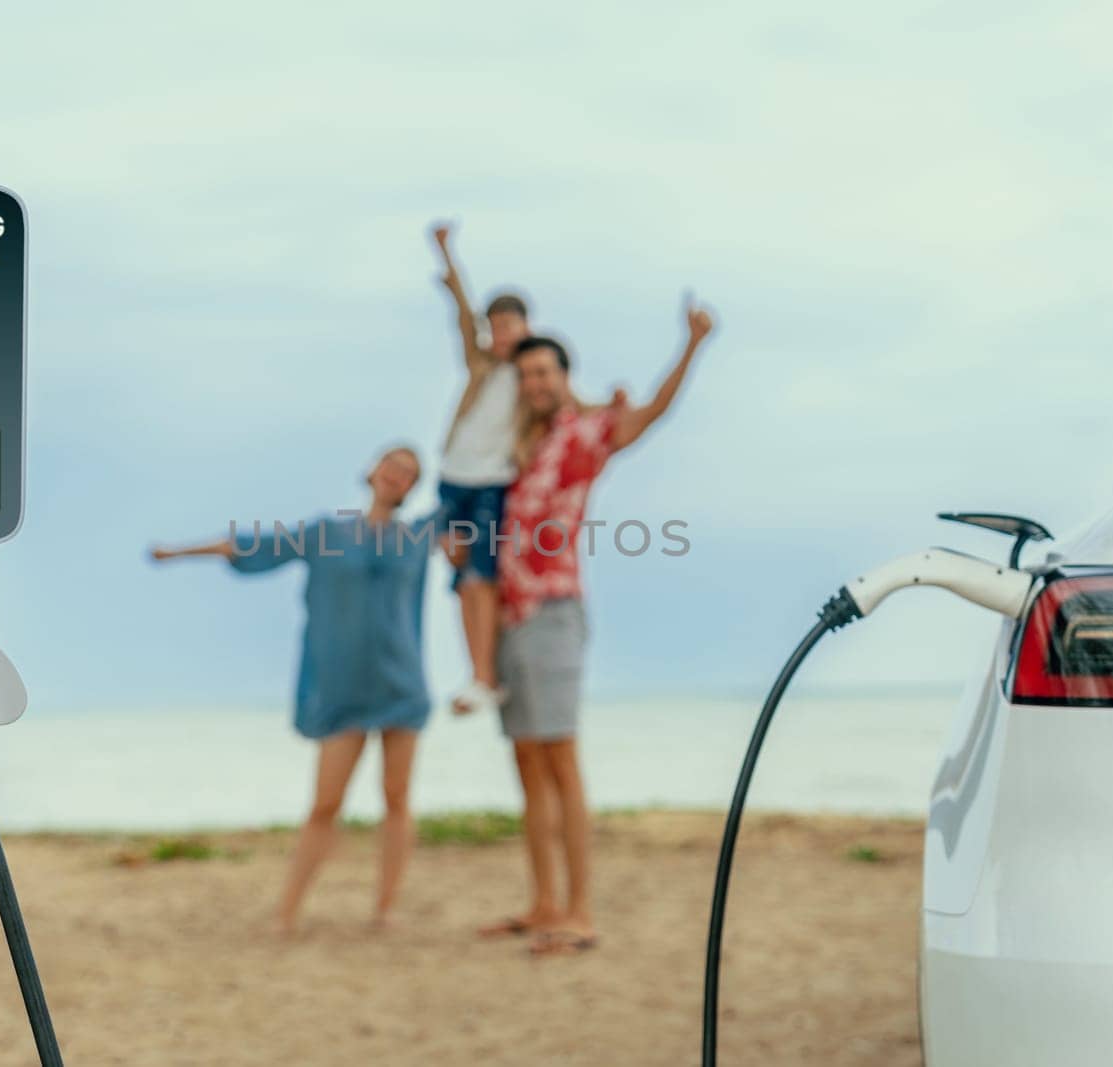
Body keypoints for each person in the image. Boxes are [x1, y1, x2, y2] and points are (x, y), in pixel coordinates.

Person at [484, 299, 716, 955]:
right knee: (526, 760)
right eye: (525, 376)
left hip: (555, 609)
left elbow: (650, 415)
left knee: (559, 757)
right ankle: (543, 901)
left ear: (563, 376)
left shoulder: (587, 433)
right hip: (508, 613)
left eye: (543, 375)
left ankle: (580, 911)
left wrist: (691, 344)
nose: (534, 385)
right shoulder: (519, 447)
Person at [148, 446, 433, 935]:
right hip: (342, 688)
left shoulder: (418, 541)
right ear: (370, 471)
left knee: (397, 798)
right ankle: (287, 913)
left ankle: (385, 911)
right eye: (391, 464)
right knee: (325, 804)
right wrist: (177, 553)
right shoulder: (326, 533)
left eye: (409, 472)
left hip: (400, 683)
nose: (397, 475)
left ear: (413, 488)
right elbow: (251, 546)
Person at [429, 221, 530, 719]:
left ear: (526, 327)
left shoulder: (533, 370)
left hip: (492, 483)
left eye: (510, 325)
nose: (500, 334)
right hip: (452, 477)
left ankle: (486, 677)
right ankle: (477, 674)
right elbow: (462, 316)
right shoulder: (481, 364)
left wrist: (615, 405)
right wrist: (447, 256)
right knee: (461, 576)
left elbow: (575, 404)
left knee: (481, 576)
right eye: (495, 327)